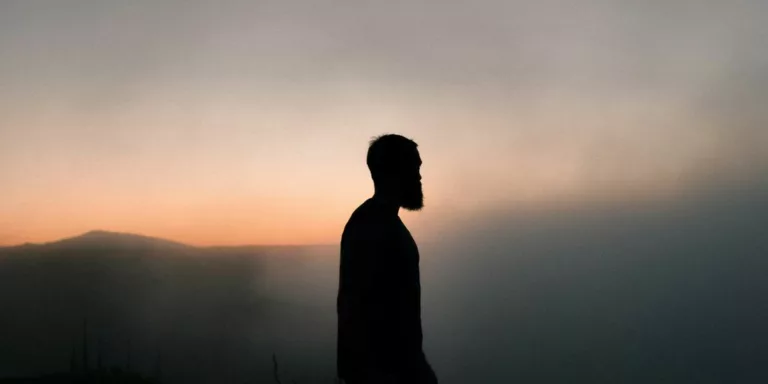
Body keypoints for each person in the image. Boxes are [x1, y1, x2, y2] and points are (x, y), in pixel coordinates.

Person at [337, 134, 438, 384]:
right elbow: (357, 308)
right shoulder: (373, 225)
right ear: (394, 172)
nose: (419, 177)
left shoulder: (375, 222)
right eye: (414, 168)